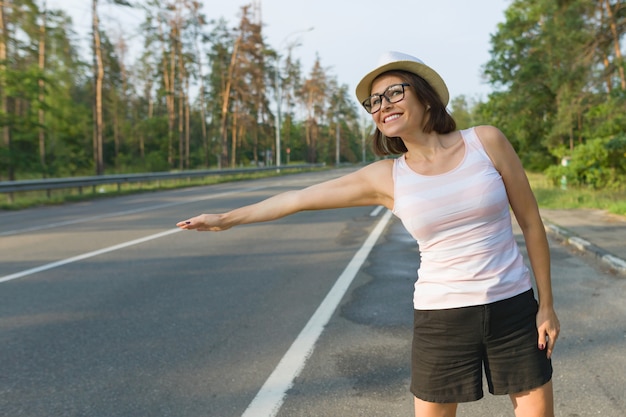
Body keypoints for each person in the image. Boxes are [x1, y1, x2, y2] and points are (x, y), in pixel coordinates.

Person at [177, 51, 560, 417]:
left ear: (426, 97)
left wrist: (546, 304)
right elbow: (298, 198)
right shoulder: (388, 177)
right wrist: (227, 218)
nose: (383, 105)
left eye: (394, 93)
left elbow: (530, 222)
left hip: (513, 307)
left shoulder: (486, 142)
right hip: (441, 318)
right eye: (374, 102)